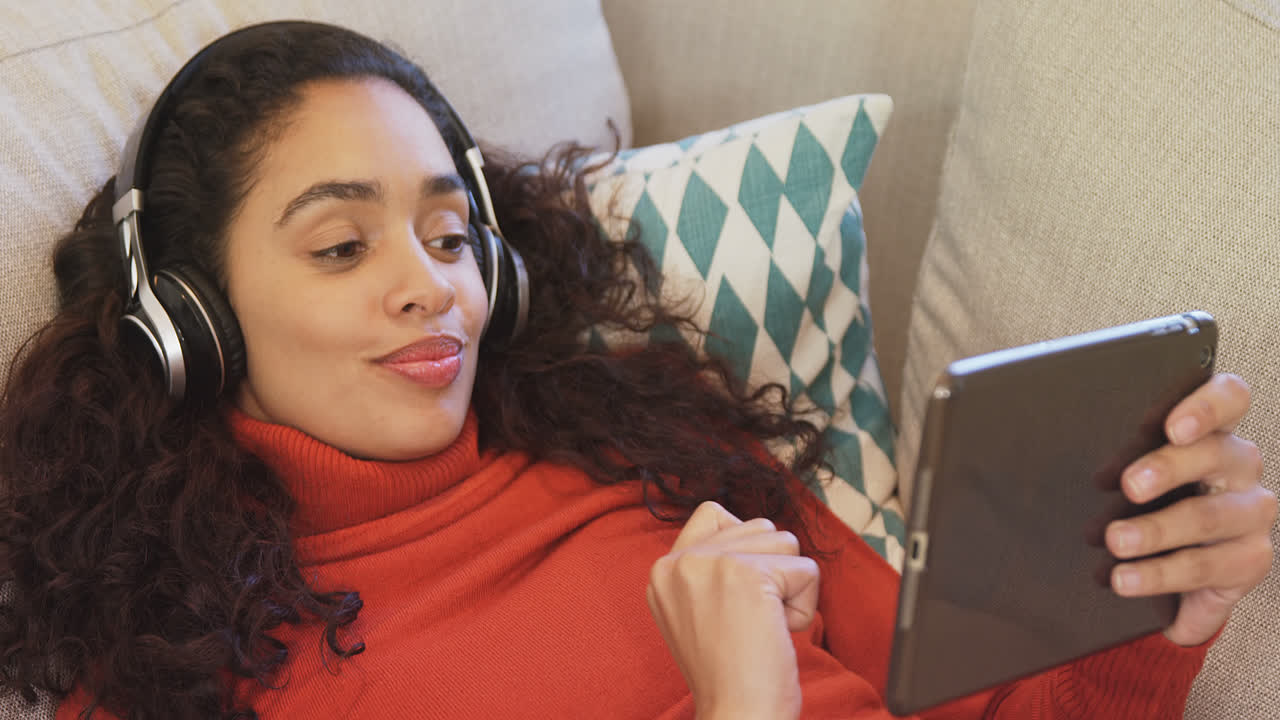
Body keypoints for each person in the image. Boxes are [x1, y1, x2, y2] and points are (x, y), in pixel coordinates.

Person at [0, 20, 1272, 720]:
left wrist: (1140, 624)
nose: (431, 283)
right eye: (340, 244)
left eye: (452, 234)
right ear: (187, 316)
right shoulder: (174, 690)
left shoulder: (656, 452)